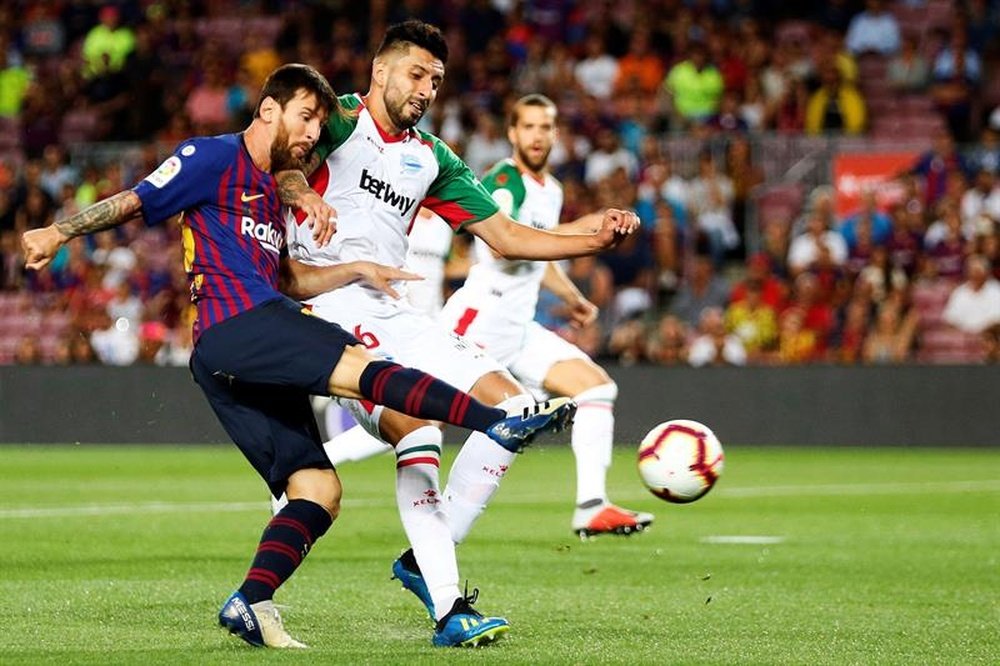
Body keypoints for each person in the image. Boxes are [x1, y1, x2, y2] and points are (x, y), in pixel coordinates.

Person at [20, 63, 576, 650]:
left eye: (319, 121)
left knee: (318, 490)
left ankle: (251, 601)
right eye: (305, 117)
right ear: (268, 111)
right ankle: (498, 420)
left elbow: (287, 276)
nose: (314, 132)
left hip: (235, 352)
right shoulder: (210, 157)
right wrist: (59, 232)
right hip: (238, 324)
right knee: (365, 368)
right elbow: (138, 200)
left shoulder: (271, 196)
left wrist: (356, 268)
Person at [273, 22, 638, 646]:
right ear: (380, 70)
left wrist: (591, 238)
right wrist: (303, 193)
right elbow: (282, 165)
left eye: (436, 80)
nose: (426, 88)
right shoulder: (336, 120)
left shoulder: (432, 157)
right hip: (331, 315)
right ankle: (448, 608)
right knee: (419, 431)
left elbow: (507, 236)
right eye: (416, 74)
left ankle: (422, 561)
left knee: (519, 409)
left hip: (398, 312)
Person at [439, 93, 654, 536]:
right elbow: (507, 243)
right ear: (513, 134)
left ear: (555, 134)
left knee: (596, 388)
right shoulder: (502, 180)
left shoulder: (551, 190)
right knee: (411, 419)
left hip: (518, 327)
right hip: (481, 317)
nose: (537, 135)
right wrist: (588, 226)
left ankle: (592, 505)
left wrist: (571, 296)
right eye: (529, 127)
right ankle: (312, 473)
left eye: (545, 127)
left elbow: (540, 254)